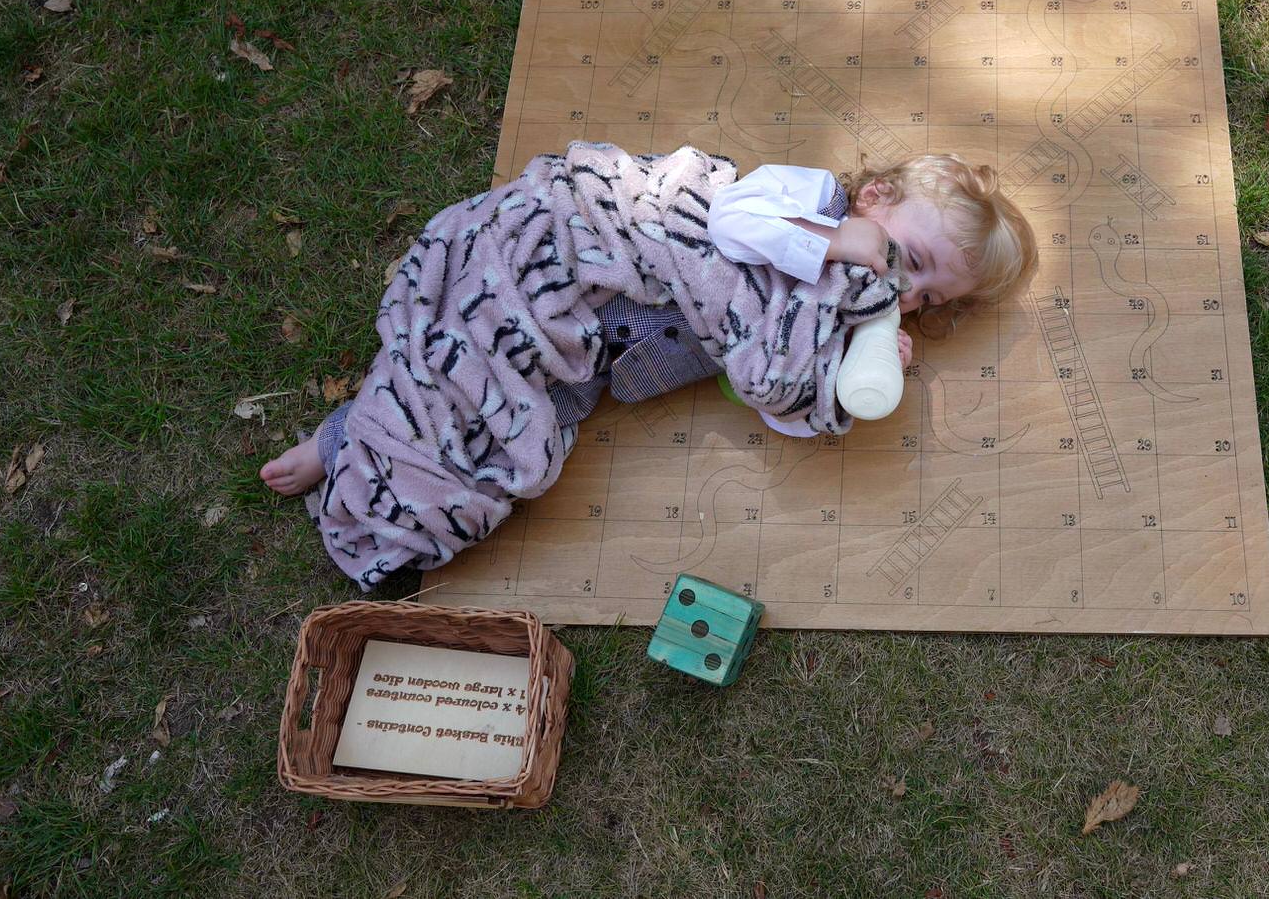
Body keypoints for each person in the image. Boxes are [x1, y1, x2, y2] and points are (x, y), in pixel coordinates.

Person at [259, 145, 1036, 586]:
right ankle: (346, 439)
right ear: (875, 196)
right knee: (470, 338)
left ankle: (394, 511)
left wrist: (851, 374)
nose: (910, 290)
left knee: (521, 435)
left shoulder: (840, 313)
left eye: (930, 298)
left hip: (596, 351)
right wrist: (834, 244)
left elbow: (767, 392)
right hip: (587, 260)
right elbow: (728, 220)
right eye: (918, 260)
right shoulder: (812, 200)